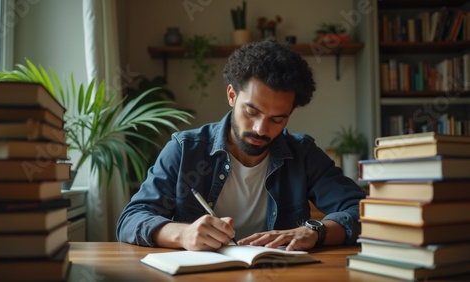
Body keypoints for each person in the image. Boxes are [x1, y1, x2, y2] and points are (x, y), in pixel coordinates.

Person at [116, 38, 367, 252]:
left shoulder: (302, 154)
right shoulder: (185, 151)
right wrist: (183, 234)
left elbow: (363, 212)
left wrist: (315, 231)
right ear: (231, 96)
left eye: (277, 119)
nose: (260, 128)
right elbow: (131, 219)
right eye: (251, 111)